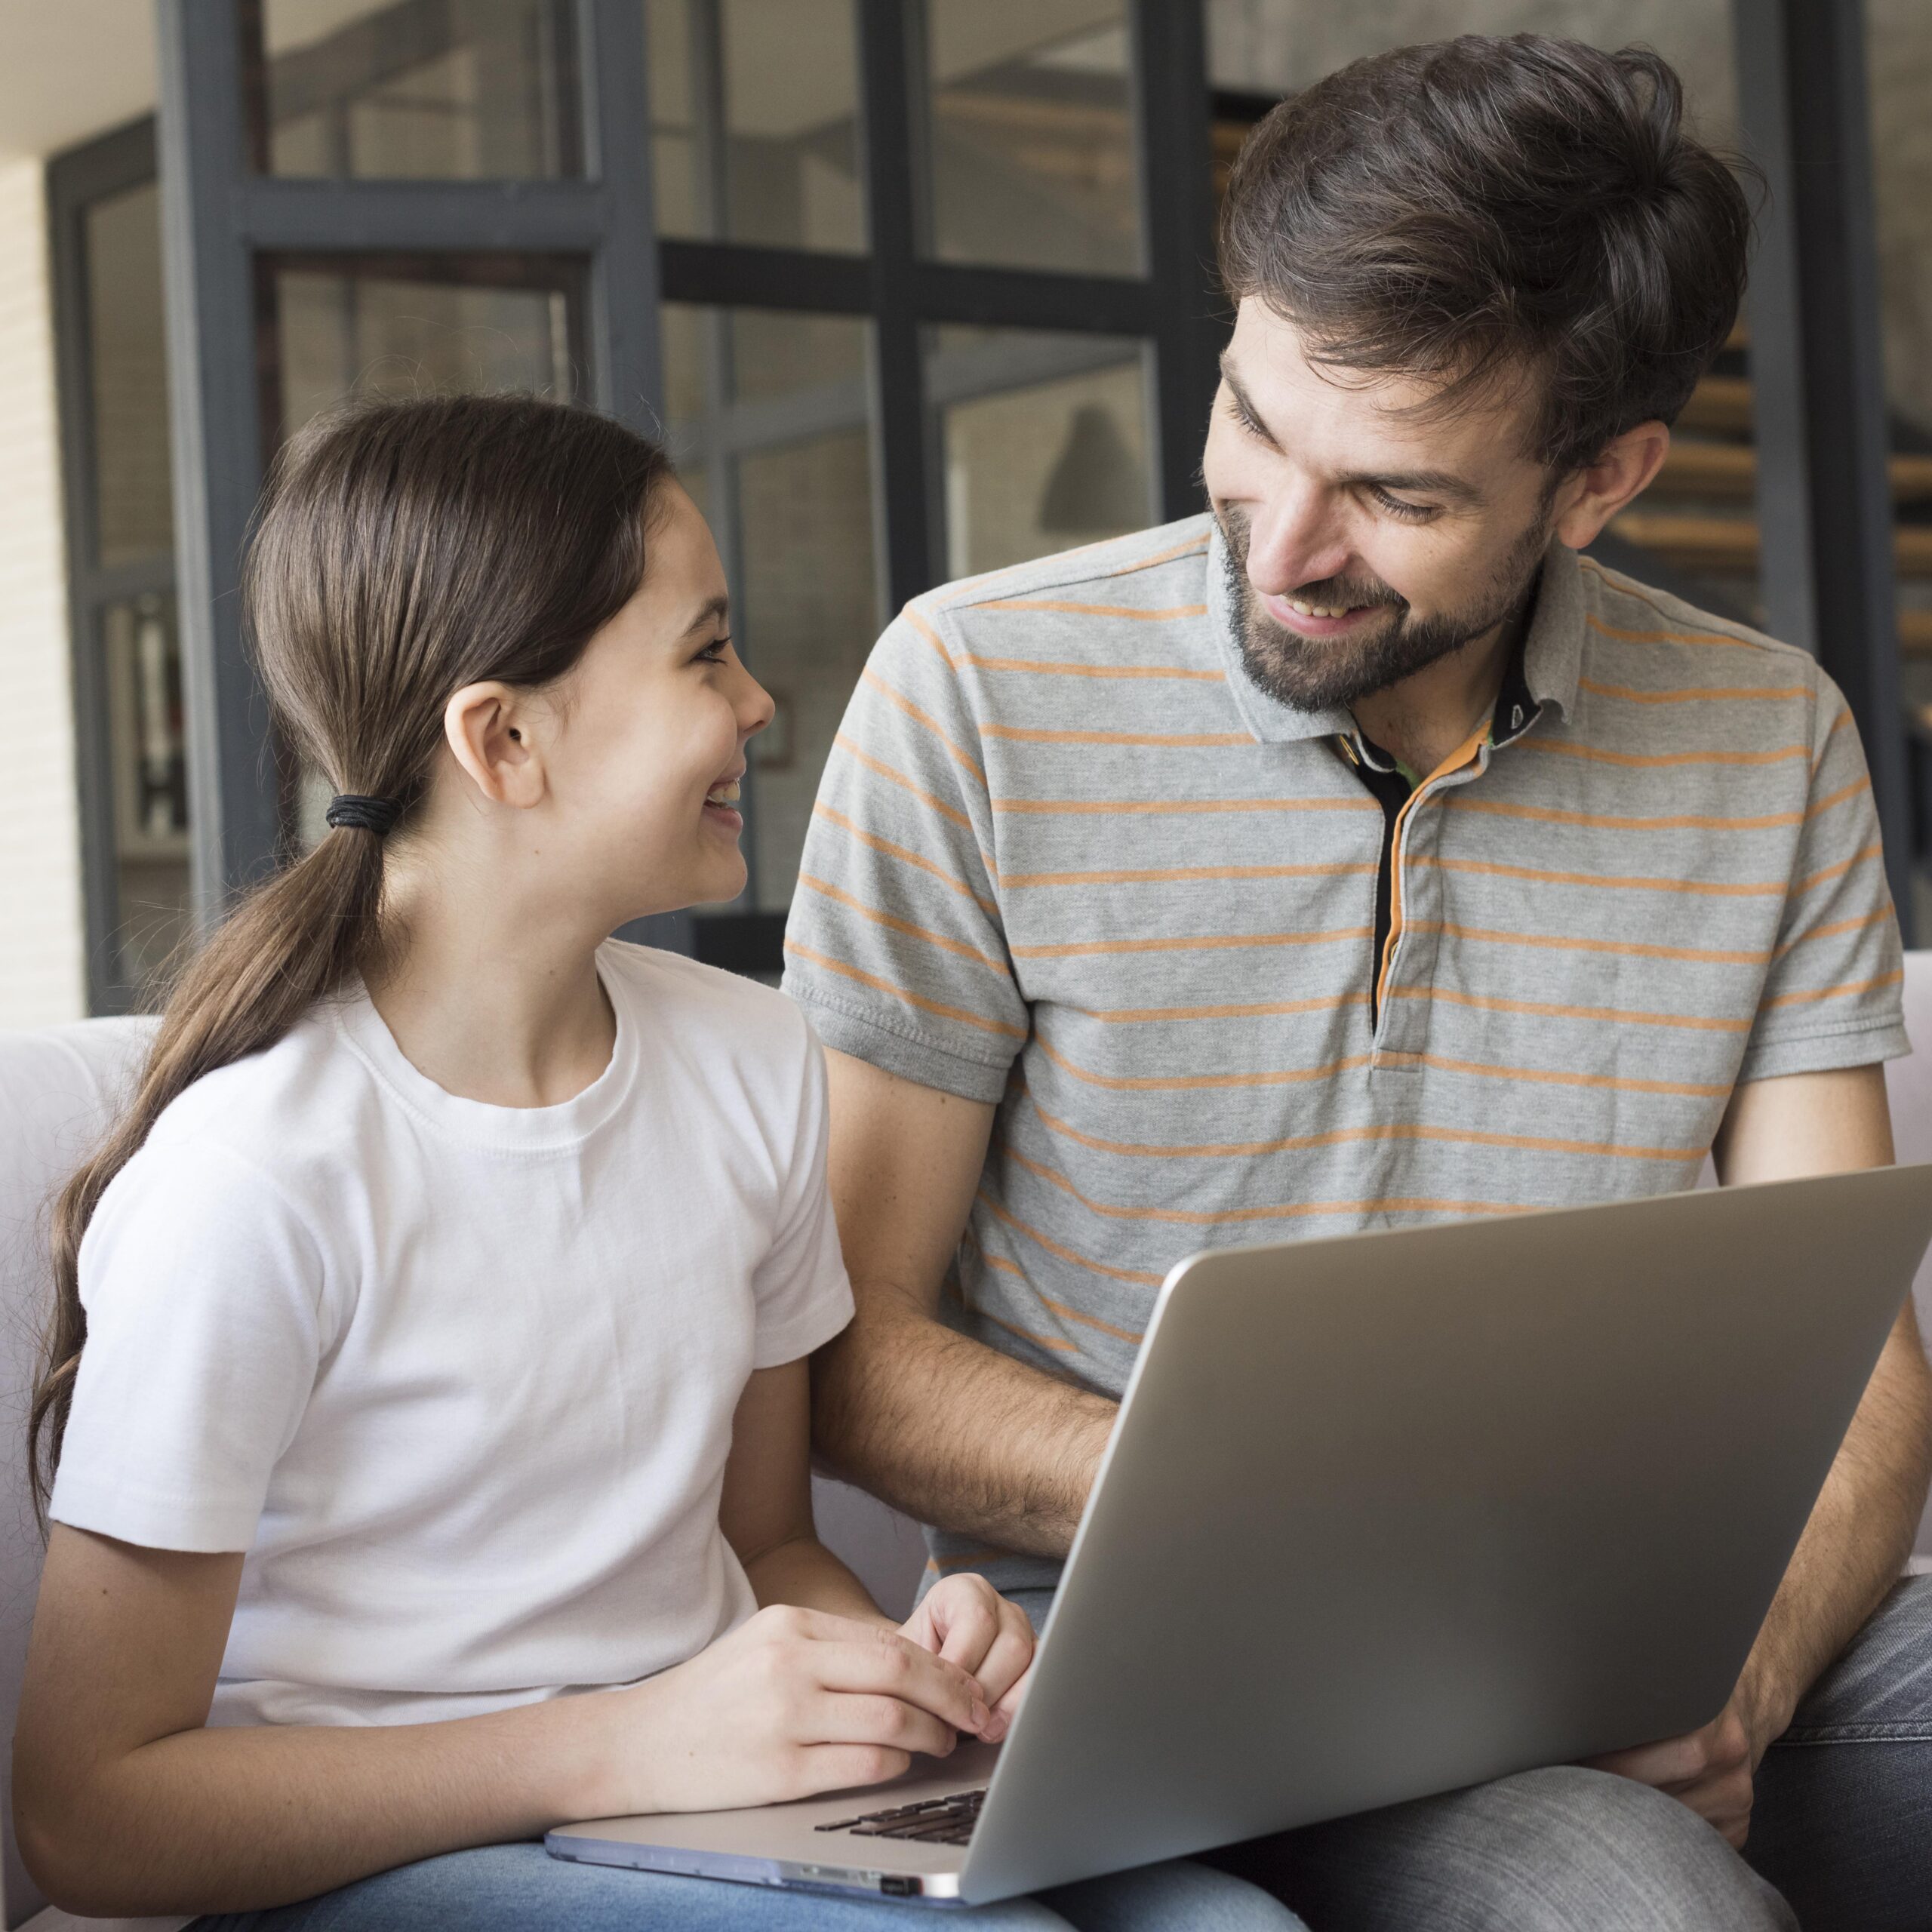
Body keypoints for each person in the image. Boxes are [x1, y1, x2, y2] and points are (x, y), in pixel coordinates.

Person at [784, 35, 1932, 1932]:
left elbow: (1856, 1357)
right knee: (1635, 1909)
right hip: (1173, 1653)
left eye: (1392, 494)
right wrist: (1321, 1529)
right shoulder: (973, 695)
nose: (1282, 542)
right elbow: (851, 1351)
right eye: (1250, 422)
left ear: (1601, 478)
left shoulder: (1766, 737)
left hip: (1630, 1621)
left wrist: (1749, 1669)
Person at [14, 395, 1303, 1932]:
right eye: (703, 653)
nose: (759, 703)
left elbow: (765, 1542)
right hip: (367, 1860)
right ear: (504, 738)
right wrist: (618, 1743)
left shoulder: (750, 1063)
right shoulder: (257, 1176)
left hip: (697, 1801)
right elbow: (89, 1810)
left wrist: (899, 1661)